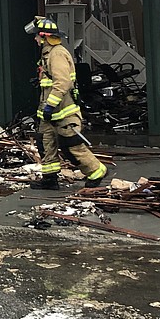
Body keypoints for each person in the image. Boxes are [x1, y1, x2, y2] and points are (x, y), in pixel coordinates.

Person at [25, 16, 109, 190]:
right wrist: (40, 81)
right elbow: (52, 80)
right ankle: (49, 179)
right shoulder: (47, 52)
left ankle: (96, 171)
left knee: (72, 146)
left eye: (37, 36)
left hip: (63, 112)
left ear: (44, 36)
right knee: (46, 144)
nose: (35, 39)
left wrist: (50, 105)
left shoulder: (57, 54)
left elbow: (62, 82)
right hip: (49, 114)